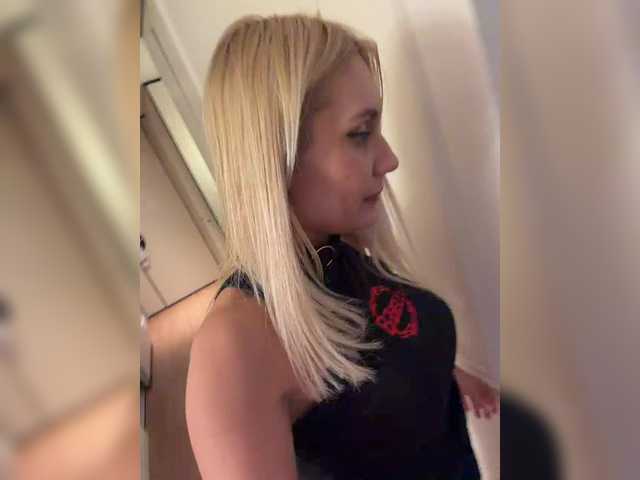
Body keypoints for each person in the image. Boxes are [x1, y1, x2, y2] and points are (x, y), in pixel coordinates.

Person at [185, 13, 497, 479]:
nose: (389, 159)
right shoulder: (235, 345)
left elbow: (372, 369)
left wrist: (441, 372)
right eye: (360, 134)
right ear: (279, 154)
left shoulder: (340, 253)